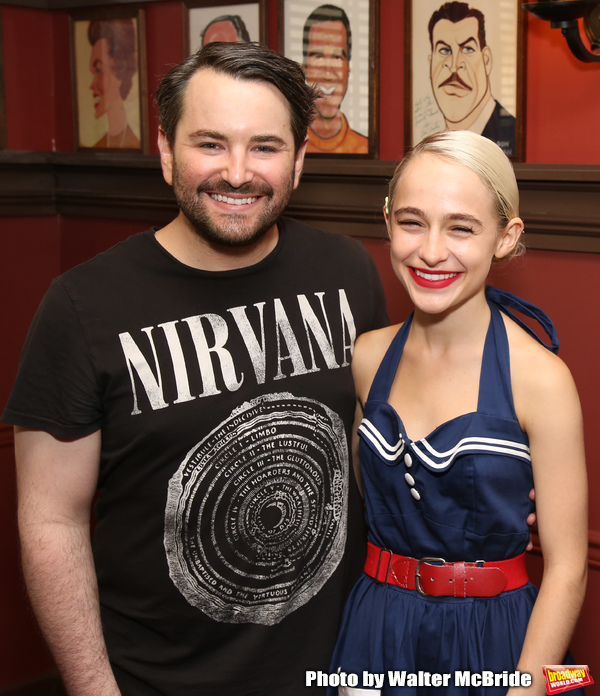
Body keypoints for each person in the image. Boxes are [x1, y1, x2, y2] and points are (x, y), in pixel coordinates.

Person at [3, 42, 389, 695]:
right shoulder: (82, 306)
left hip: (340, 668)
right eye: (210, 143)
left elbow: (367, 451)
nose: (237, 173)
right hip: (158, 680)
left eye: (264, 148)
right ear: (165, 151)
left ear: (298, 161)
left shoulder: (349, 274)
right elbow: (51, 522)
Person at [329, 130, 587, 695]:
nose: (430, 251)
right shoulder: (368, 357)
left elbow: (568, 570)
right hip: (377, 628)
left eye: (461, 228)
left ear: (505, 236)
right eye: (412, 221)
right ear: (388, 220)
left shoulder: (541, 380)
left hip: (498, 636)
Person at [428, 1, 516, 157]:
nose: (454, 65)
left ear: (486, 60)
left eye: (467, 49)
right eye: (444, 50)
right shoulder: (429, 149)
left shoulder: (510, 133)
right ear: (430, 62)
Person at [302, 4, 368, 154]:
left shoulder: (361, 146)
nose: (327, 74)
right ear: (304, 66)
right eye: (318, 57)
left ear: (348, 68)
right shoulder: (291, 148)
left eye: (337, 57)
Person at [88, 18, 140, 149]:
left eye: (99, 71)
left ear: (120, 73)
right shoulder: (98, 145)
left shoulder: (135, 142)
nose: (91, 85)